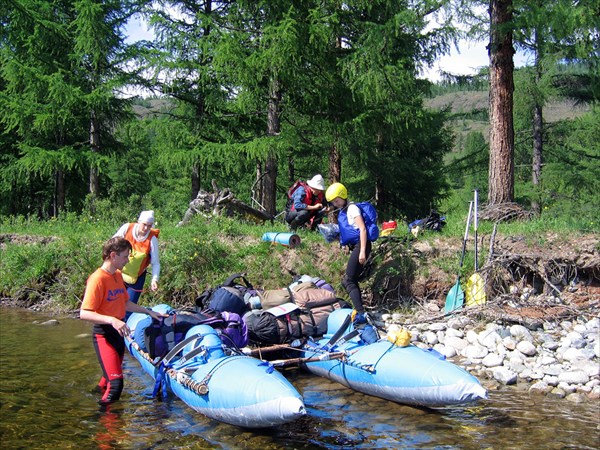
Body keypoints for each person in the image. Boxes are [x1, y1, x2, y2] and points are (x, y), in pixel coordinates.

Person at [80, 237, 167, 405]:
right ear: (113, 255)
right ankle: (106, 427)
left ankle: (93, 401)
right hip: (104, 335)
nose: (128, 260)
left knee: (108, 379)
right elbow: (84, 313)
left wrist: (149, 312)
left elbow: (125, 302)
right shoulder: (97, 279)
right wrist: (112, 320)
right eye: (125, 256)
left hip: (119, 334)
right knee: (116, 385)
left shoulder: (118, 275)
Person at [325, 182, 379, 344]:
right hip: (356, 246)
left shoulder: (353, 209)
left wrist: (362, 251)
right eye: (333, 202)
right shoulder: (344, 209)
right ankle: (360, 310)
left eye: (336, 200)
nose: (335, 204)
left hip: (362, 245)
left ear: (342, 196)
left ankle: (361, 314)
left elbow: (362, 229)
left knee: (348, 279)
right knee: (350, 279)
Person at [113, 210, 160, 305]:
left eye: (149, 225)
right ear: (139, 222)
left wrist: (154, 280)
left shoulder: (152, 239)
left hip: (136, 279)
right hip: (119, 274)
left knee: (128, 308)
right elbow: (112, 245)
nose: (146, 228)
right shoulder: (127, 228)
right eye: (144, 224)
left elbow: (156, 263)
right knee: (114, 304)